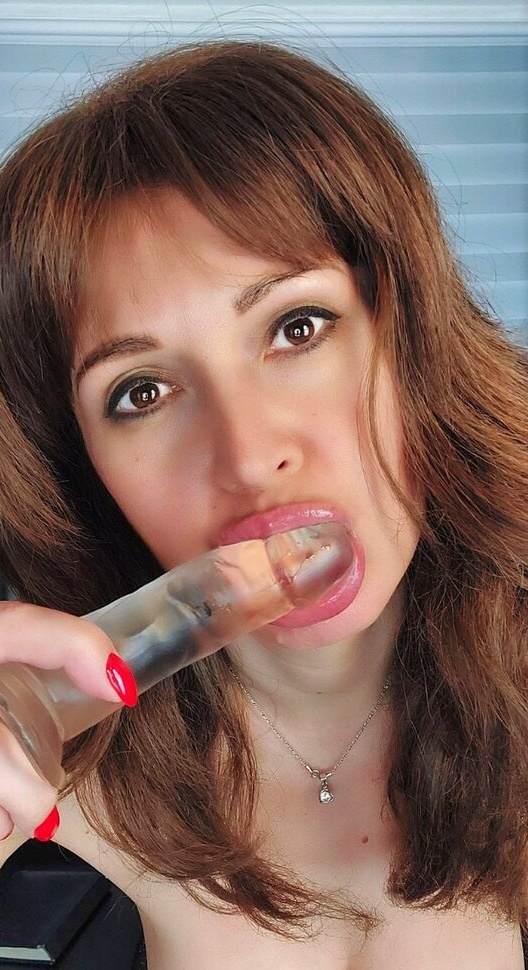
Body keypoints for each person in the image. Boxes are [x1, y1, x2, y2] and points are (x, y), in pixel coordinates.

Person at [0, 39, 526, 969]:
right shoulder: (35, 774)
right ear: (82, 469)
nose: (247, 460)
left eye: (296, 326)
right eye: (141, 392)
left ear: (411, 340)